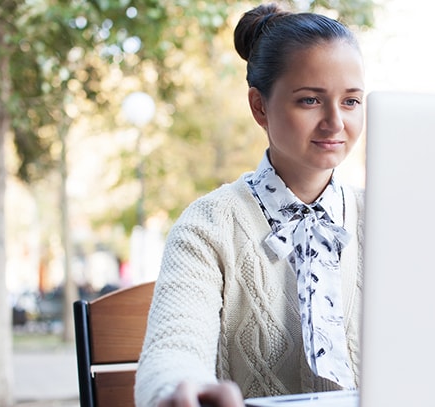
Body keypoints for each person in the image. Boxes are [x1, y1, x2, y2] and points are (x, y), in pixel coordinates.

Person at [135, 3, 366, 406]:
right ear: (259, 106)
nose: (335, 122)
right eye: (310, 101)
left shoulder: (386, 217)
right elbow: (175, 346)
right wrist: (178, 387)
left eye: (350, 101)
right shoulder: (208, 226)